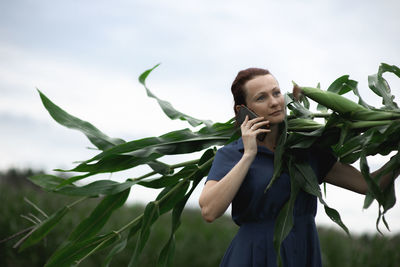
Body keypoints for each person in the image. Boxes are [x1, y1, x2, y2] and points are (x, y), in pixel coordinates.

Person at [198, 68, 400, 267]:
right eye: (261, 98)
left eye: (276, 93)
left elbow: (368, 185)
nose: (275, 102)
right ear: (241, 110)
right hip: (254, 254)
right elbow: (209, 210)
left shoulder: (305, 148)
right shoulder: (233, 154)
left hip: (303, 250)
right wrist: (249, 155)